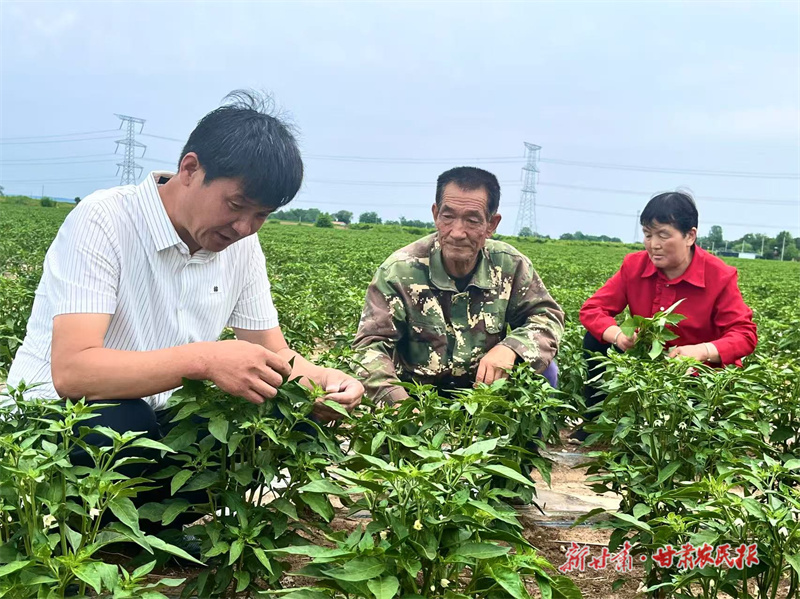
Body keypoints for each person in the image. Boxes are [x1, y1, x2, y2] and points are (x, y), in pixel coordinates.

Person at [6, 90, 363, 531]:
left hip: (158, 419)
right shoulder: (105, 219)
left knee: (291, 418)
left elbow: (276, 354)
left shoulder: (241, 247)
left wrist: (326, 383)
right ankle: (90, 531)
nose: (244, 227)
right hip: (57, 422)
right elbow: (73, 373)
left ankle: (149, 531)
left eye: (262, 215)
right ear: (190, 169)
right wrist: (206, 360)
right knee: (122, 421)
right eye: (236, 205)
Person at [352, 166, 564, 405]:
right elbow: (369, 347)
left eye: (472, 220)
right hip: (417, 396)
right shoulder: (400, 271)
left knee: (545, 368)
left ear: (492, 224)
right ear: (435, 214)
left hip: (485, 395)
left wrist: (512, 348)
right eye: (448, 217)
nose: (457, 232)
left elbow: (547, 317)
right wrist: (400, 406)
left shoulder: (509, 265)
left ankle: (530, 431)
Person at [575, 190, 758, 440]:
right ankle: (596, 422)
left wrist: (701, 351)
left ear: (690, 236)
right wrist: (619, 336)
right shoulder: (634, 266)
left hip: (697, 373)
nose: (654, 244)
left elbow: (745, 334)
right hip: (647, 364)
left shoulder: (719, 275)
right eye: (647, 234)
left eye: (663, 235)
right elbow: (593, 309)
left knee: (689, 435)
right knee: (596, 339)